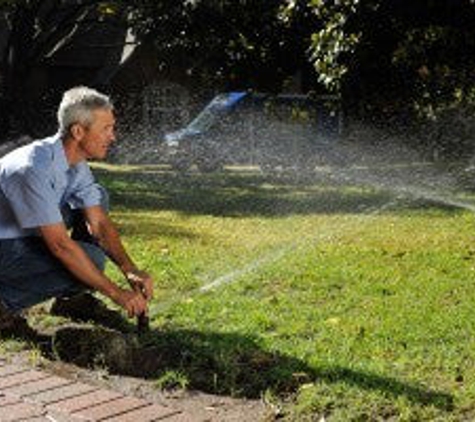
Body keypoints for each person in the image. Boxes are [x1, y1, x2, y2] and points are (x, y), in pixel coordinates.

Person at [0, 86, 153, 337]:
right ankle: (5, 304)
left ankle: (73, 299)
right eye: (106, 129)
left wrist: (129, 269)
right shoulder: (33, 167)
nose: (112, 136)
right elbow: (60, 246)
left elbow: (99, 225)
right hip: (4, 245)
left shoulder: (75, 162)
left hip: (19, 233)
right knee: (90, 261)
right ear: (78, 131)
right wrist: (117, 294)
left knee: (97, 197)